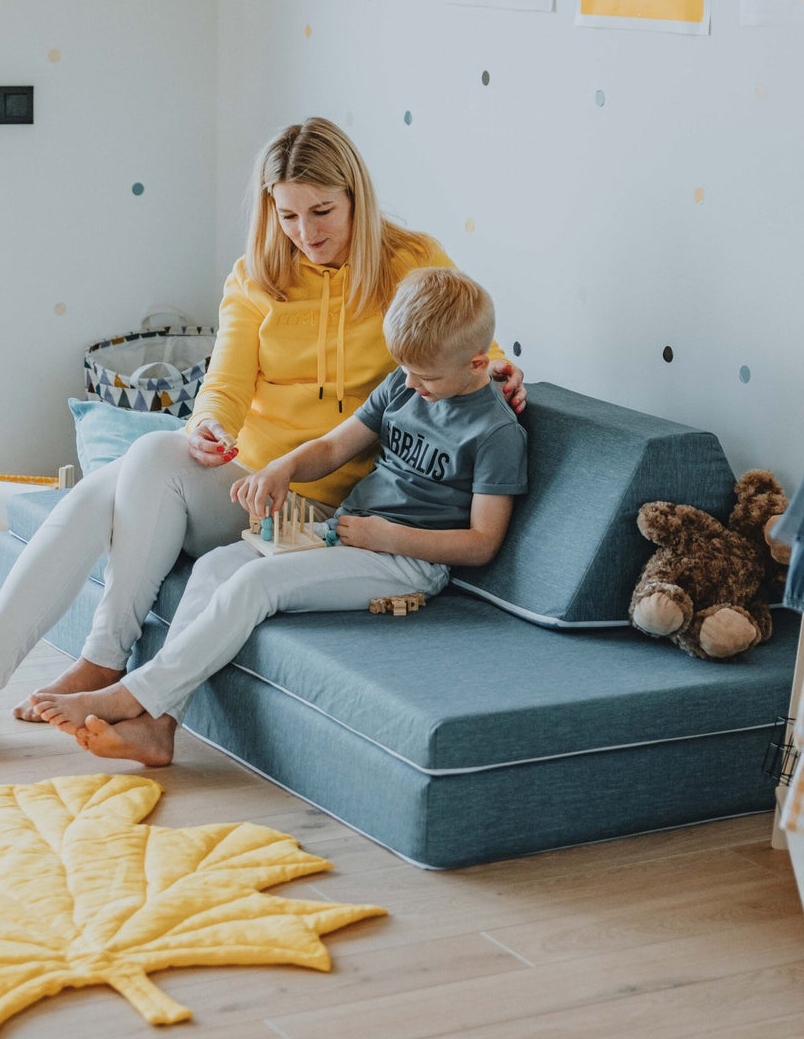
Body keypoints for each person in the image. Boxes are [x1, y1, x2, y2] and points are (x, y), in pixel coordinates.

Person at [0, 118, 524, 768]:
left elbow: (464, 344)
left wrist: (506, 372)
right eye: (287, 215)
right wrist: (209, 427)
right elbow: (224, 385)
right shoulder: (257, 276)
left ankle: (104, 667)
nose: (306, 233)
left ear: (355, 199)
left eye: (322, 212)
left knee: (110, 486)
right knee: (143, 461)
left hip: (329, 510)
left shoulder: (412, 260)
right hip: (254, 489)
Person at [32, 267, 527, 766]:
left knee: (258, 583)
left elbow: (482, 542)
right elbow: (333, 447)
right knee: (217, 566)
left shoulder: (494, 432)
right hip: (347, 532)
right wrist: (282, 470)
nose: (413, 384)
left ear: (477, 362)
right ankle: (160, 725)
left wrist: (386, 536)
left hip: (409, 563)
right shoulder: (404, 384)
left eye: (427, 377)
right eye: (406, 370)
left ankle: (131, 696)